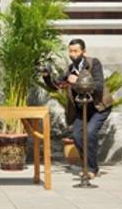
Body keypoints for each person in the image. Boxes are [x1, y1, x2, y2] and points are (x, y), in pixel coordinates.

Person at [43, 38, 111, 179]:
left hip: (99, 107)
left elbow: (98, 86)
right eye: (70, 51)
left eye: (76, 51)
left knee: (90, 133)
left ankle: (91, 169)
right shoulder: (70, 69)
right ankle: (88, 165)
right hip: (82, 110)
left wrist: (78, 79)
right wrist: (46, 76)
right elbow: (56, 86)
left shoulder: (93, 63)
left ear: (83, 52)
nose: (73, 54)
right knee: (77, 136)